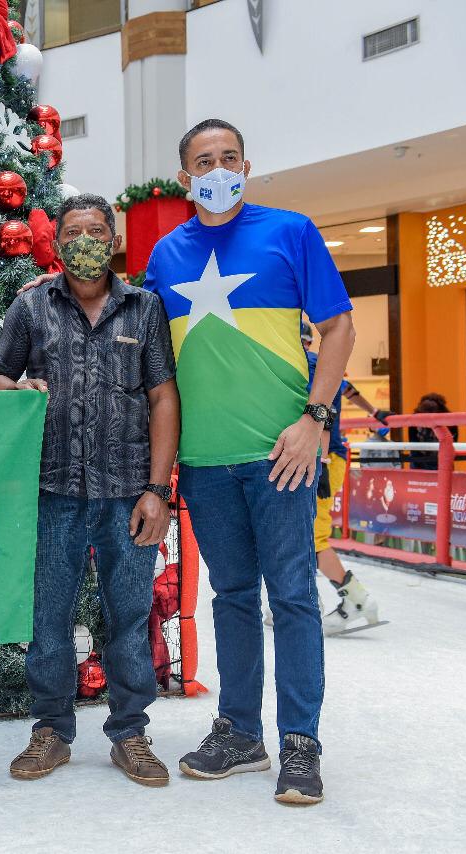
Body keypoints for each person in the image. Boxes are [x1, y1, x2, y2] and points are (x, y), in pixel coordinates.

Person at [144, 119, 355, 806]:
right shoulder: (166, 254)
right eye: (204, 160)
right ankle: (239, 731)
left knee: (292, 596)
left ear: (246, 166)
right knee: (232, 597)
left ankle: (300, 741)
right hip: (205, 462)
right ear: (185, 177)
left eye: (228, 157)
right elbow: (142, 346)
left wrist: (315, 418)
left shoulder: (291, 232)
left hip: (280, 455)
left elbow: (338, 326)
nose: (218, 168)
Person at [0, 193, 180, 787]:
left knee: (129, 617)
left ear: (113, 239)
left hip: (129, 493)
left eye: (96, 231)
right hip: (51, 490)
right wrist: (16, 390)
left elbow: (163, 398)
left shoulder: (144, 309)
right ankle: (51, 729)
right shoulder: (32, 306)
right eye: (72, 232)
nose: (85, 241)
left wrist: (158, 489)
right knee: (48, 618)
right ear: (57, 243)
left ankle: (130, 733)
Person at [300, 322, 380, 635]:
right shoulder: (320, 360)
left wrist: (319, 462)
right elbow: (349, 391)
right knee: (303, 534)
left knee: (313, 538)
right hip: (322, 456)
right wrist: (375, 413)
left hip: (322, 457)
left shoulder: (307, 364)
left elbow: (323, 415)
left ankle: (357, 601)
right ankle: (307, 599)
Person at [409, 392, 456, 470]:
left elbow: (452, 444)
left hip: (442, 459)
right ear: (420, 412)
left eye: (430, 415)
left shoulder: (450, 422)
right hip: (419, 460)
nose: (428, 418)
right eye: (425, 415)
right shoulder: (414, 420)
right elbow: (413, 445)